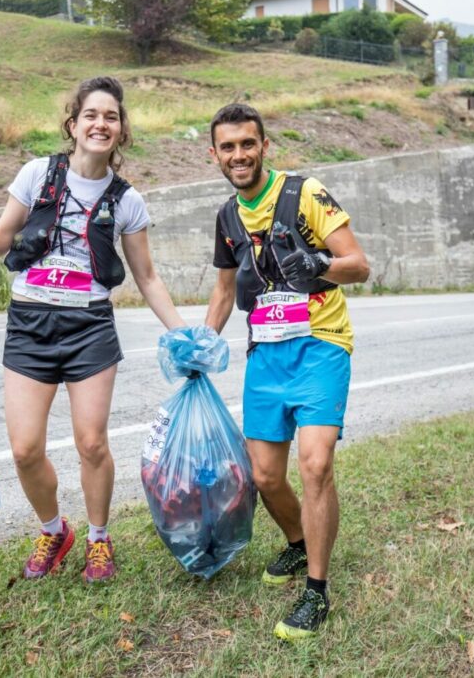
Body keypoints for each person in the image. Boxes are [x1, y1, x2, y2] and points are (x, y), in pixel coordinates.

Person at [0, 76, 186, 583]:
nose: (100, 124)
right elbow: (0, 241)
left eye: (111, 116)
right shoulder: (38, 174)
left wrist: (181, 332)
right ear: (74, 124)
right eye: (91, 115)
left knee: (91, 443)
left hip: (89, 326)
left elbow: (147, 277)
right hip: (29, 324)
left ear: (121, 129)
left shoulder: (127, 201)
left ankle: (98, 539)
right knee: (23, 449)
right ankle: (53, 529)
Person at [203, 103, 370, 640]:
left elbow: (360, 266)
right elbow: (226, 290)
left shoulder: (305, 194)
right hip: (266, 354)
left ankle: (317, 594)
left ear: (264, 145)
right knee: (266, 477)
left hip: (321, 344)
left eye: (247, 144)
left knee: (315, 465)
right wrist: (203, 345)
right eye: (228, 147)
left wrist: (320, 265)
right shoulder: (228, 217)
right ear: (215, 155)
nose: (239, 155)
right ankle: (299, 545)